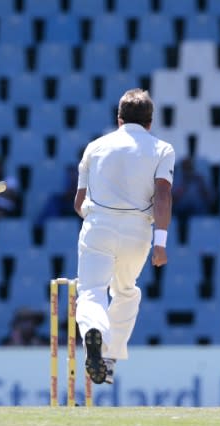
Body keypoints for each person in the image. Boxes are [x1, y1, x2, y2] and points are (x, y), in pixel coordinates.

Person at [73, 88, 174, 386]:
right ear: (150, 122)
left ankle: (95, 331)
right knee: (127, 292)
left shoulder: (94, 147)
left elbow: (79, 203)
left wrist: (100, 220)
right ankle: (108, 358)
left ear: (119, 120)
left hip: (98, 224)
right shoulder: (162, 148)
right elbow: (164, 196)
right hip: (137, 231)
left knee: (91, 291)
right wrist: (161, 244)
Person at [172, 155, 214, 242]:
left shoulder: (201, 179)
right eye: (185, 168)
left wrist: (201, 185)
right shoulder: (175, 180)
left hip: (198, 212)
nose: (187, 170)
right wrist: (184, 185)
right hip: (180, 212)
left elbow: (211, 200)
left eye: (189, 167)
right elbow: (172, 201)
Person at [33, 164, 78, 230]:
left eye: (74, 183)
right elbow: (41, 225)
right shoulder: (54, 202)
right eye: (69, 182)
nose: (72, 187)